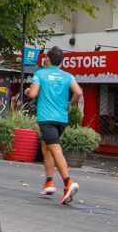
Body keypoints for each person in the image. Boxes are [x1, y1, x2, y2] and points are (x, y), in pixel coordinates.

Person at [26, 46, 82, 205]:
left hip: (46, 118)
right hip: (61, 120)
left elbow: (33, 94)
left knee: (55, 149)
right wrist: (70, 104)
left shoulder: (40, 74)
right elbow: (78, 92)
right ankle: (49, 182)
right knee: (46, 147)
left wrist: (28, 91)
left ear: (47, 59)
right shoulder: (68, 76)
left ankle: (68, 182)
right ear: (61, 61)